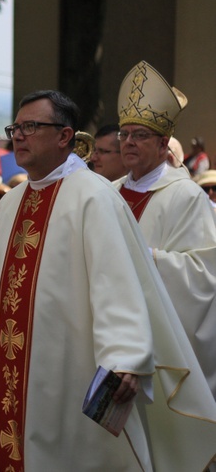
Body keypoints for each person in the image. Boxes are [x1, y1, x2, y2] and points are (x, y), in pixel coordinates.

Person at [0, 89, 216, 471]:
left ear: (65, 136)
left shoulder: (92, 196)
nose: (19, 135)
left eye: (31, 126)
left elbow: (116, 283)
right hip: (9, 370)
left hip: (68, 366)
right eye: (16, 126)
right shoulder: (12, 203)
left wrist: (125, 354)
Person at [114, 60, 216, 397]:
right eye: (124, 134)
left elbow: (204, 275)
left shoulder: (186, 196)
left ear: (163, 143)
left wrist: (145, 258)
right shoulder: (108, 193)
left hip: (158, 345)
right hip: (108, 334)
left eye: (140, 135)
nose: (129, 142)